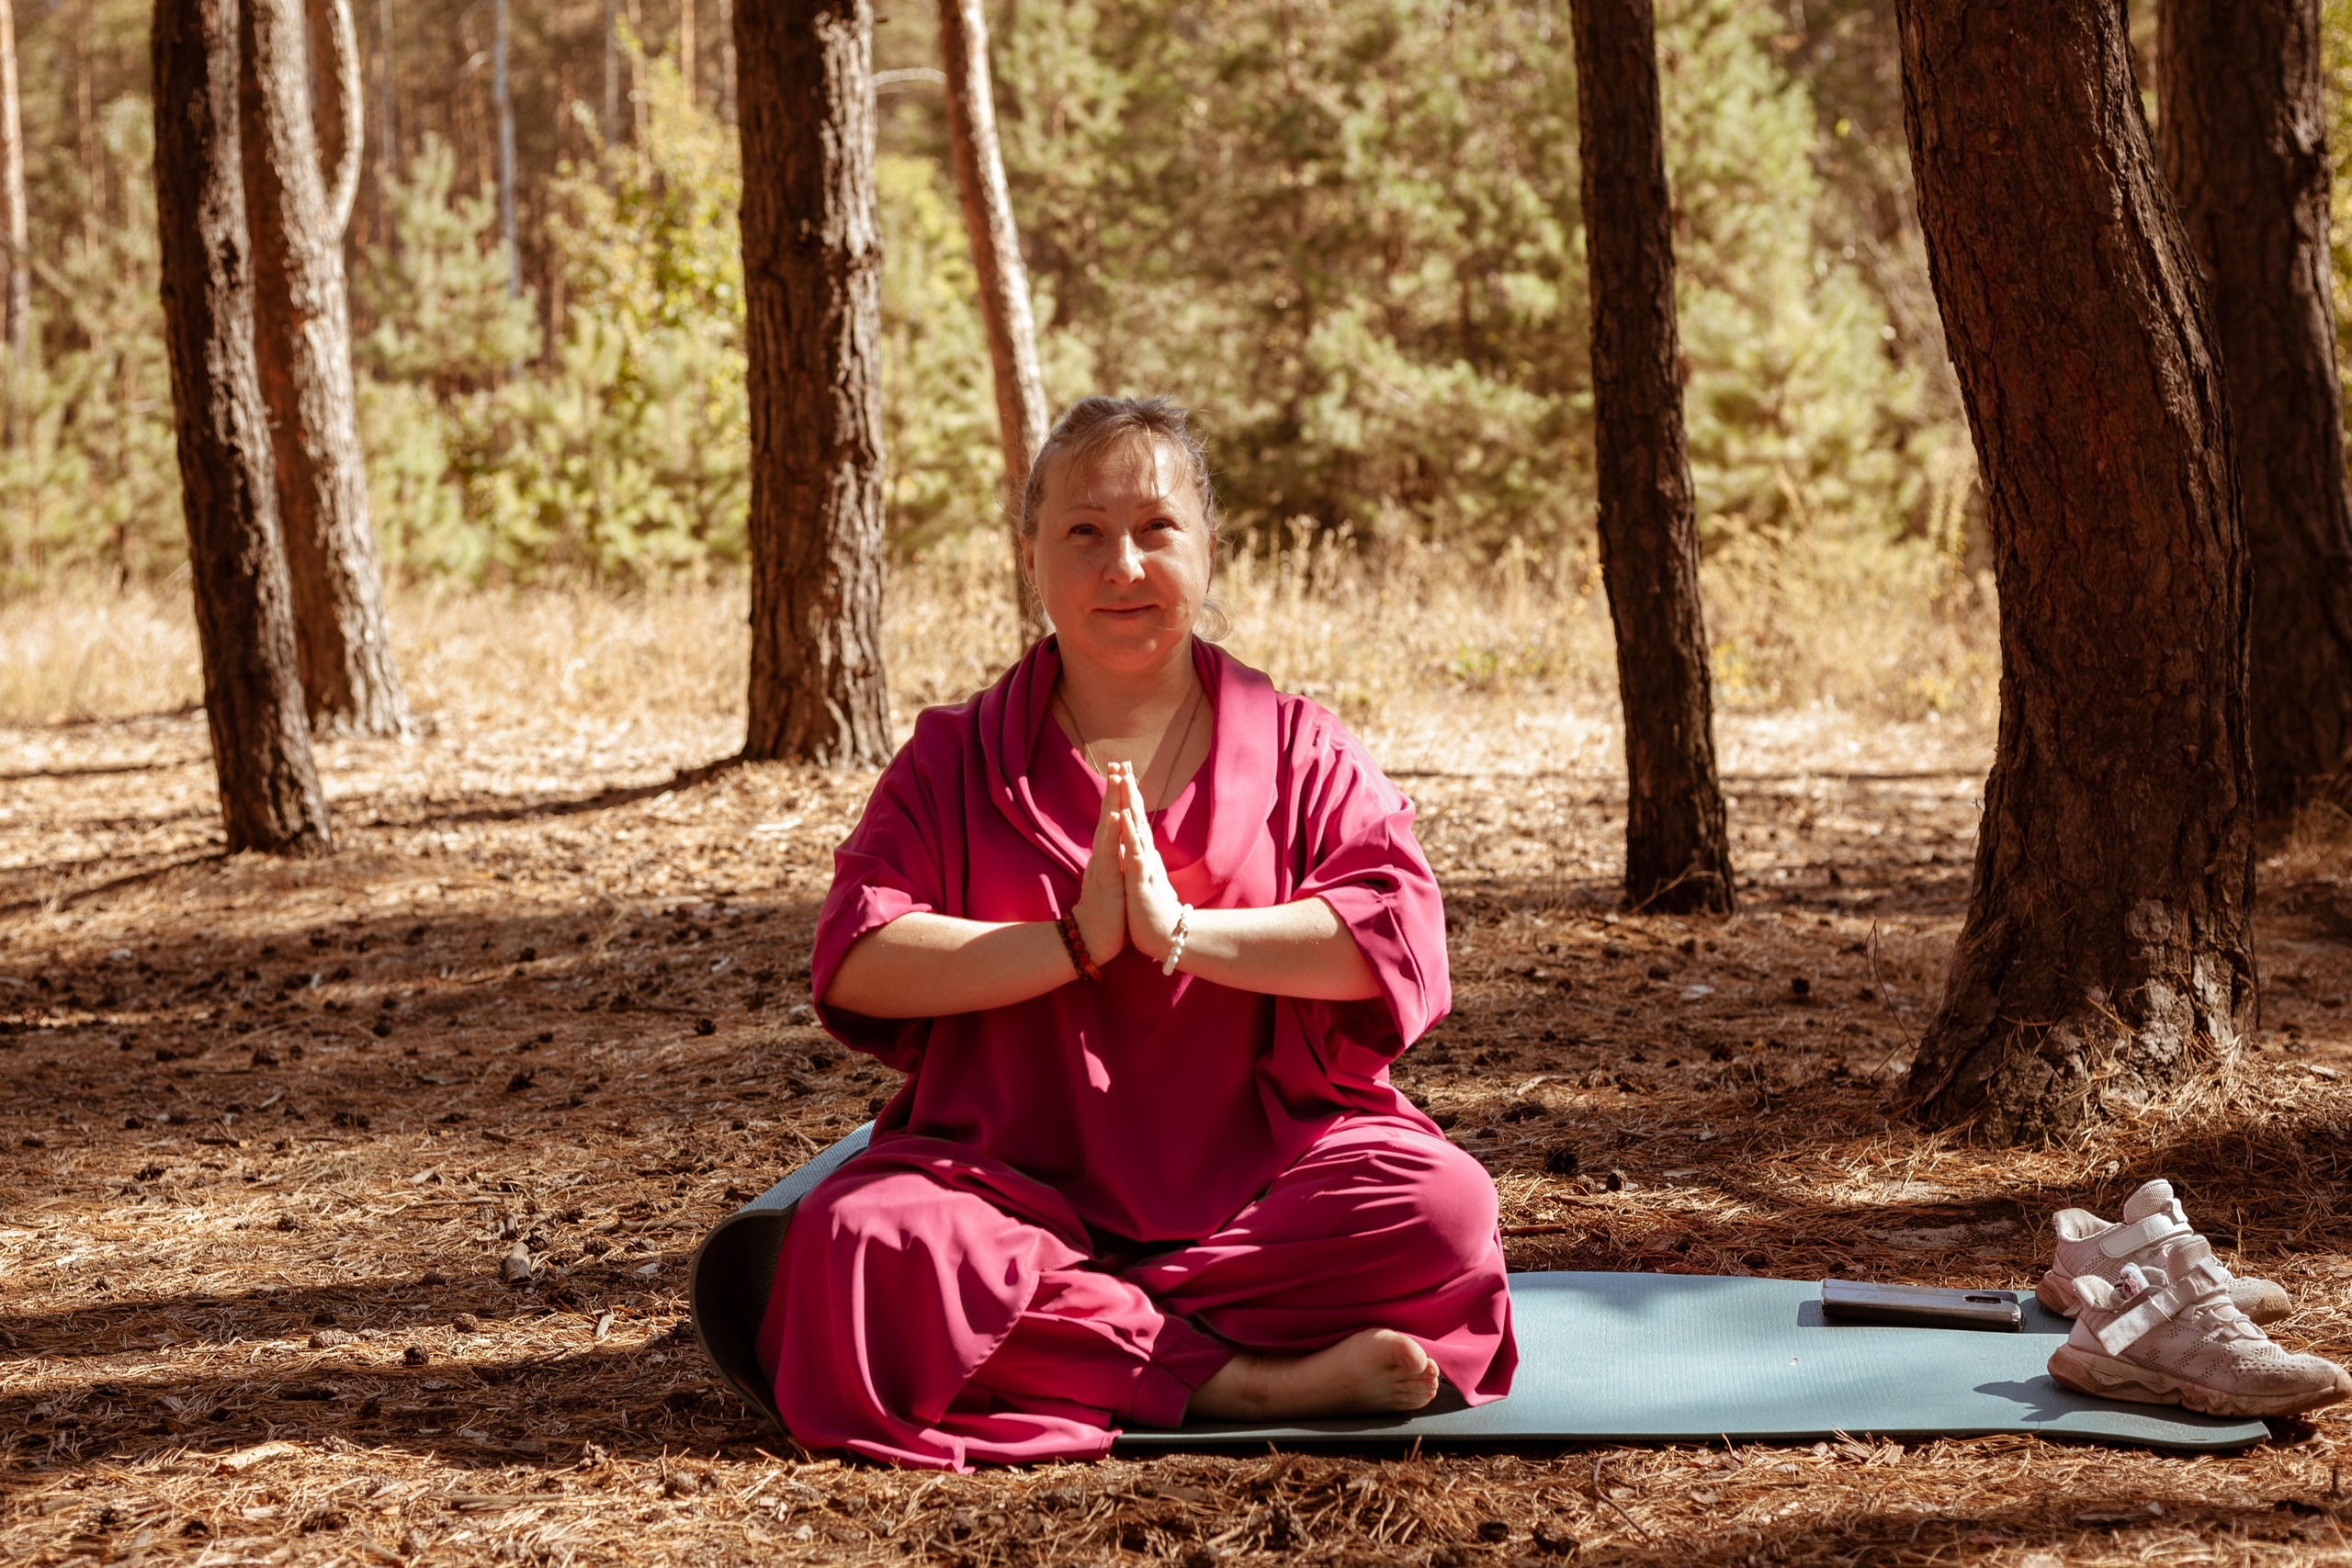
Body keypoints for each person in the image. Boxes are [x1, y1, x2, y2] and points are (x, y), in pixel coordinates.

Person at [754, 396, 1515, 1472]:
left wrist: (1182, 932)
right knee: (862, 1239)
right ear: (1031, 559)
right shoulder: (955, 757)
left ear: (1208, 549)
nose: (1123, 564)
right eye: (1083, 531)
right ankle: (1232, 1382)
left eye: (1157, 528)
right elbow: (861, 960)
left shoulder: (1296, 743)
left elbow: (1397, 938)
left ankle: (1071, 1334)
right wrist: (1068, 942)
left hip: (1261, 1189)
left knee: (1443, 1213)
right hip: (1011, 1185)